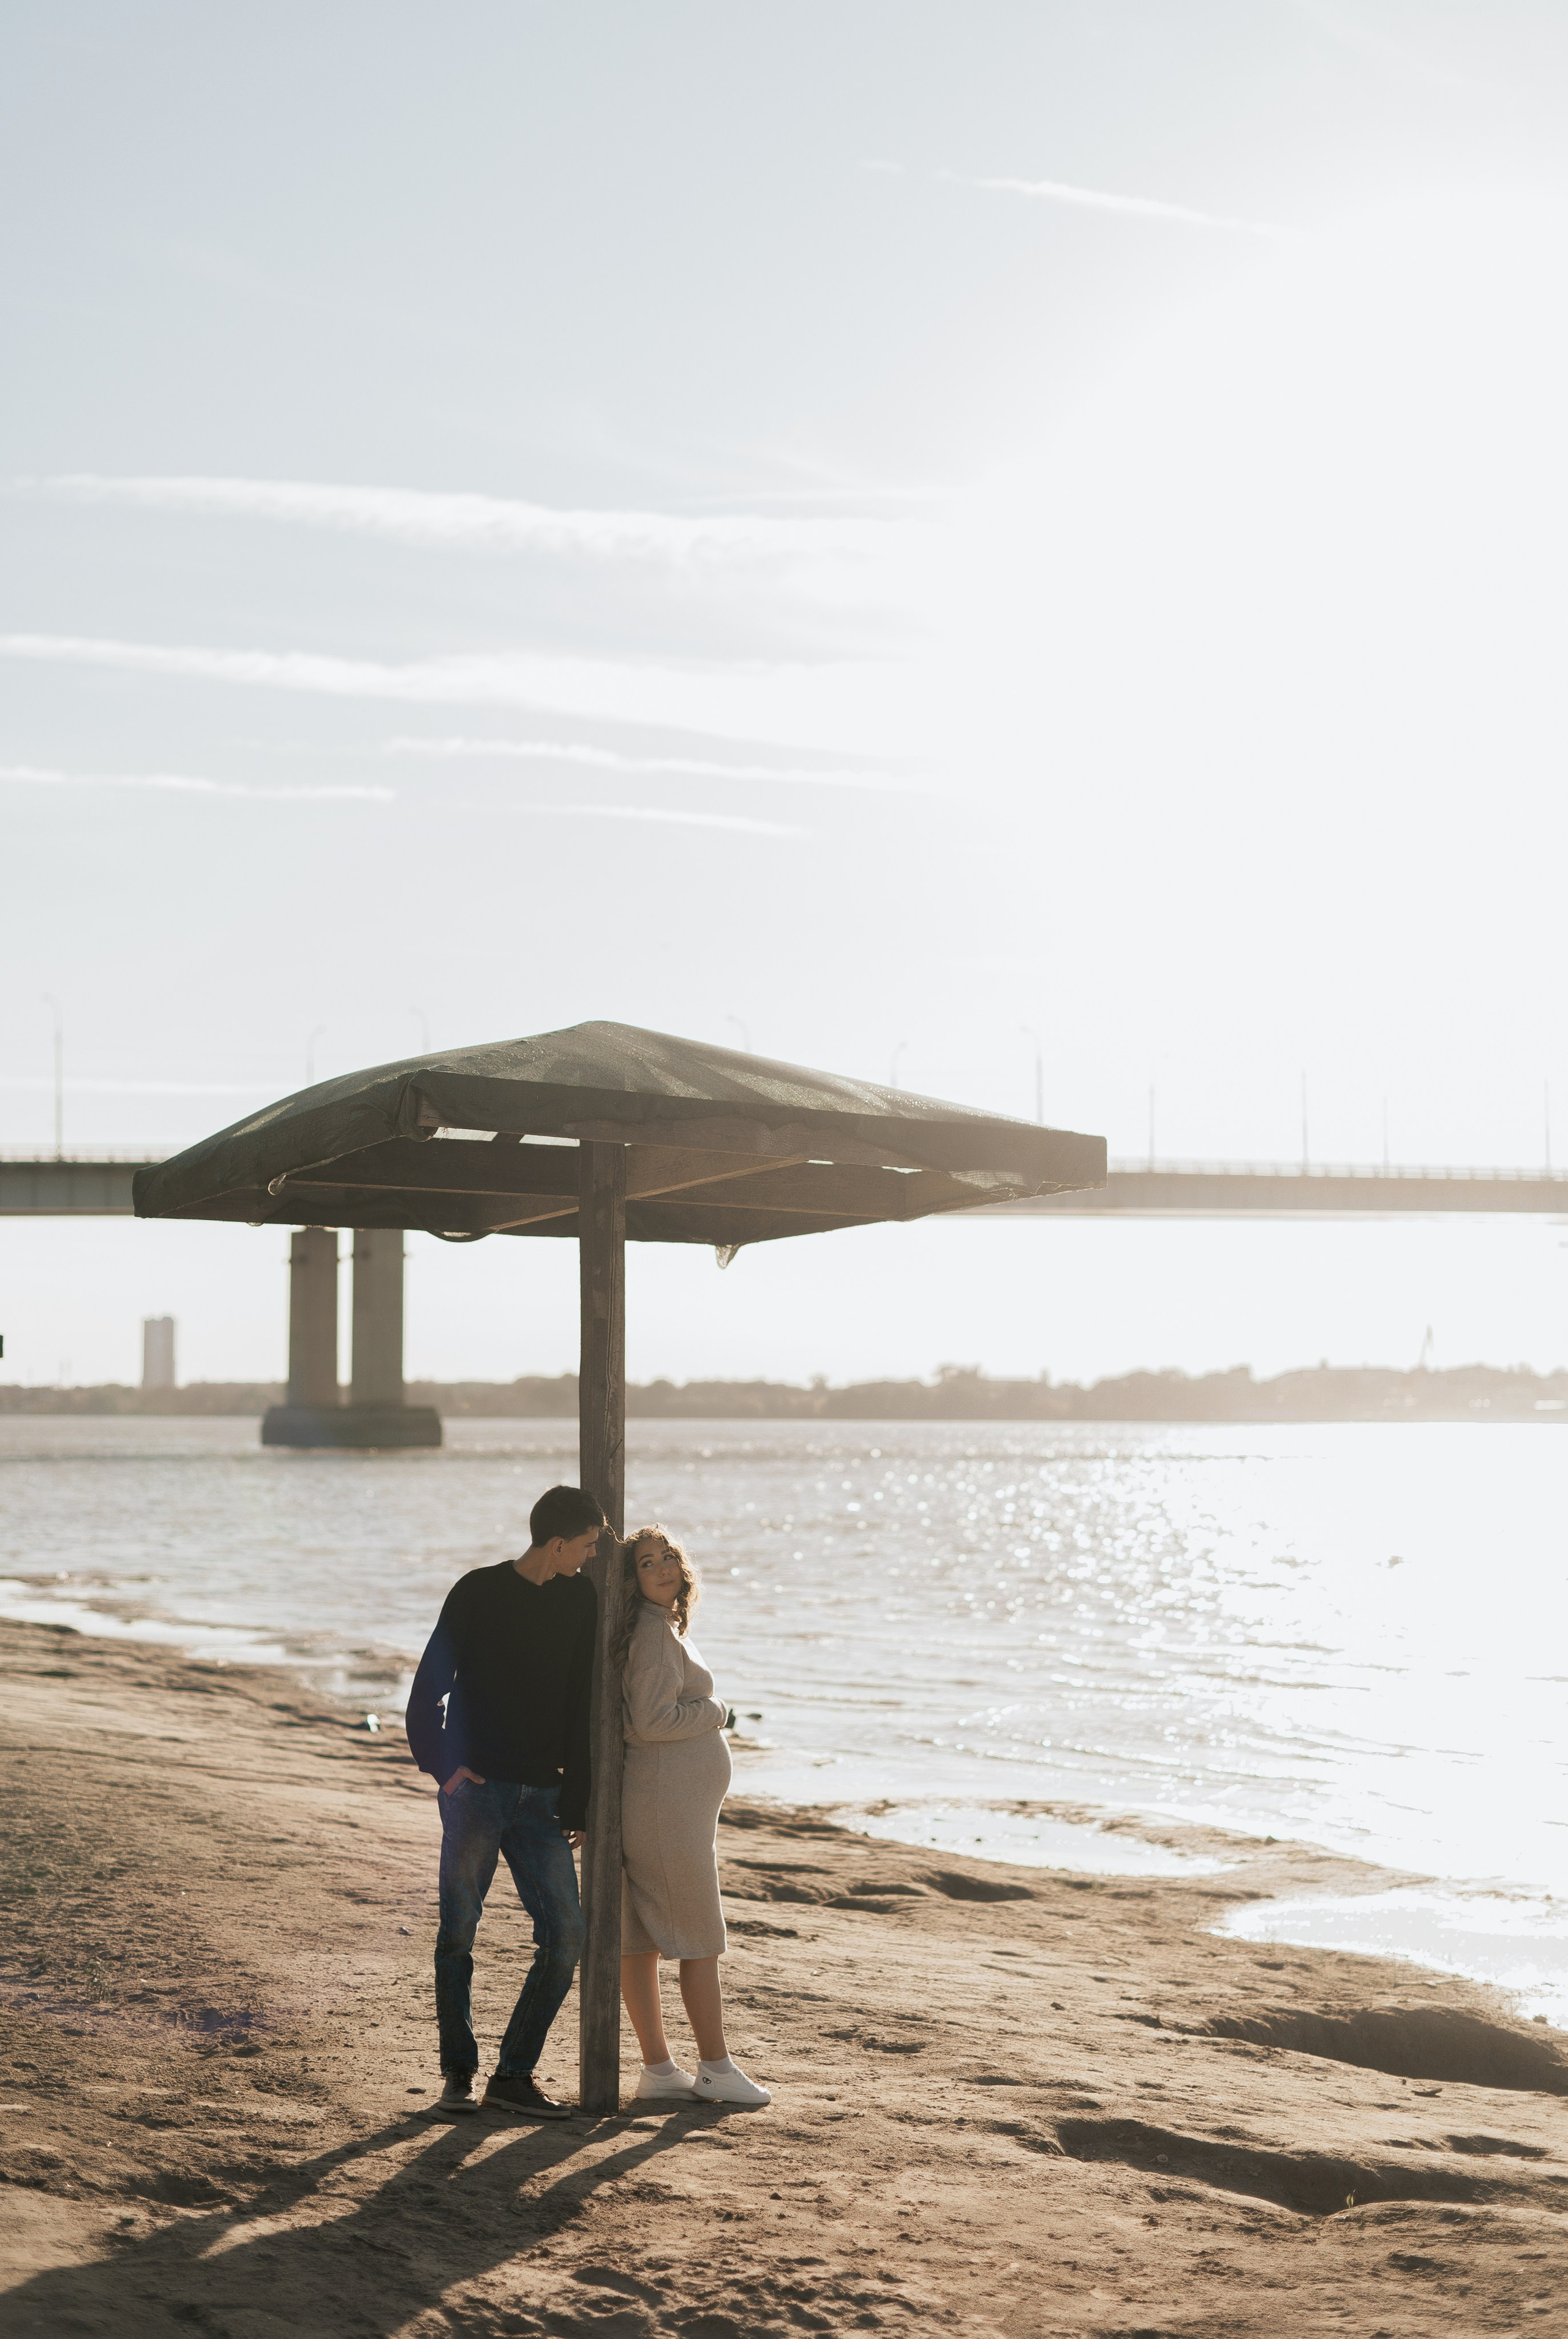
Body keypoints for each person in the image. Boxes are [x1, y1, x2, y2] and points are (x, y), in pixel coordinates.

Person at [405, 1482, 603, 2120]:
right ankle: (458, 2075)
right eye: (587, 1546)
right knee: (459, 1933)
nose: (592, 1557)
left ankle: (513, 2075)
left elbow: (582, 1700)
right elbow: (429, 1686)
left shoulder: (580, 1598)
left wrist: (578, 1799)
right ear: (556, 1544)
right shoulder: (478, 1591)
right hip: (478, 1794)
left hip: (543, 1798)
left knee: (567, 1936)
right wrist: (444, 1767)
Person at [616, 1524, 771, 2108]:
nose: (662, 1568)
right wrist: (715, 1711)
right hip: (665, 1812)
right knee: (700, 1938)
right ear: (631, 1580)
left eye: (668, 1557)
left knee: (640, 1941)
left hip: (662, 1807)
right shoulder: (655, 1635)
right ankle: (715, 2068)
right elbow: (651, 1721)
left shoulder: (659, 1627)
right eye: (646, 1563)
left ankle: (659, 2070)